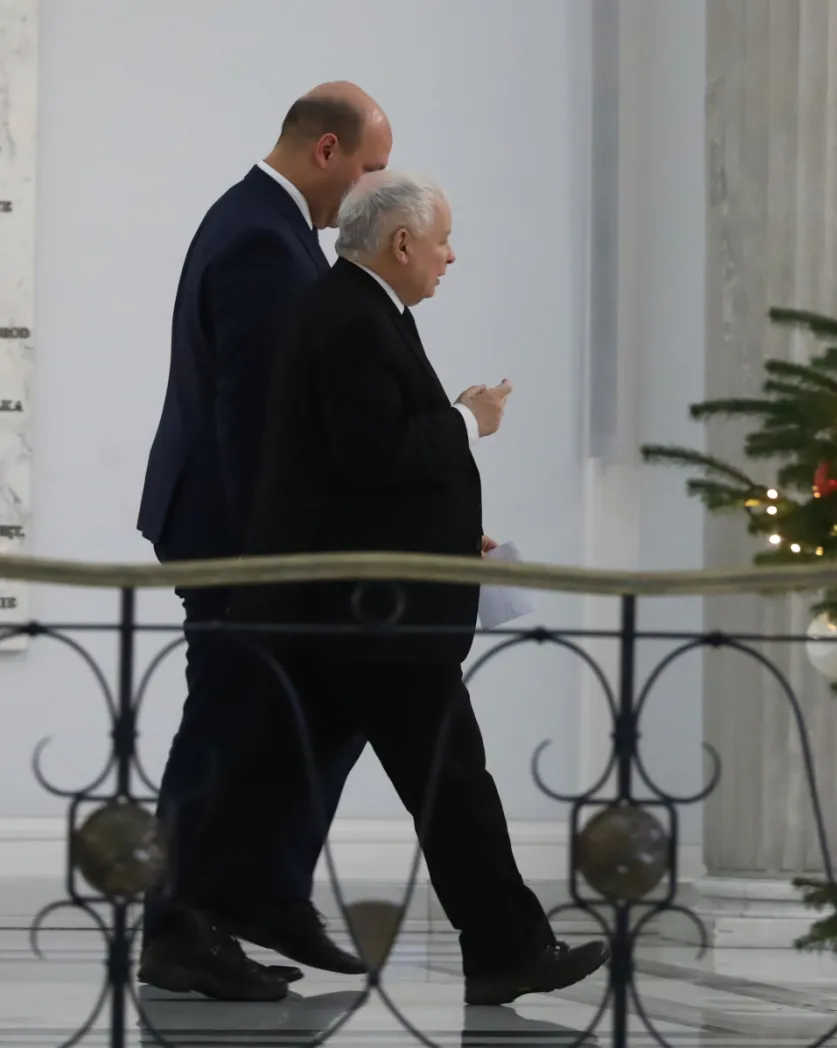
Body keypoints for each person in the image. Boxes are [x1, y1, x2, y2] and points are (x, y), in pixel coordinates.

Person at [231, 170, 608, 1006]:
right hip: (377, 611)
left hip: (356, 601)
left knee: (277, 771)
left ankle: (201, 916)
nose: (450, 256)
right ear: (401, 243)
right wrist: (472, 418)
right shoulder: (352, 318)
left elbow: (358, 473)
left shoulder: (354, 311)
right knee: (452, 784)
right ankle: (508, 949)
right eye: (442, 240)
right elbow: (376, 455)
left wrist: (449, 533)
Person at [136, 83, 393, 1001]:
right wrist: (267, 564)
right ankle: (181, 927)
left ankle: (260, 897)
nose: (374, 190)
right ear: (327, 151)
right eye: (370, 168)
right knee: (225, 725)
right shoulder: (259, 238)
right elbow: (252, 421)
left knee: (282, 709)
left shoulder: (262, 225)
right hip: (233, 533)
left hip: (234, 527)